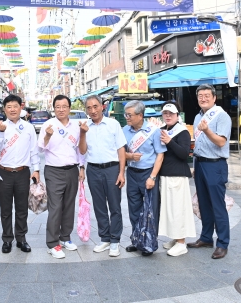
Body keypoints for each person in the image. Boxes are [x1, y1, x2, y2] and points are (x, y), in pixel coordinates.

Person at [38, 94, 86, 259]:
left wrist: (81, 167)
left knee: (69, 206)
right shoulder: (48, 124)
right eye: (57, 106)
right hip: (53, 171)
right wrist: (48, 136)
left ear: (69, 108)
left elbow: (80, 149)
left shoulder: (76, 126)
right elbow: (40, 148)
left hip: (72, 169)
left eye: (64, 106)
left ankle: (65, 237)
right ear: (54, 108)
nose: (61, 109)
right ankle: (52, 243)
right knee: (55, 207)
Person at [78, 95, 126, 257]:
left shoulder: (113, 124)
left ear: (102, 107)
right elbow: (83, 151)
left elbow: (121, 149)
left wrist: (121, 172)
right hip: (93, 170)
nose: (92, 110)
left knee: (114, 206)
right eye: (89, 108)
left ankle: (115, 240)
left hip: (112, 169)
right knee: (99, 206)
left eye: (95, 106)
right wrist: (83, 133)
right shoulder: (85, 127)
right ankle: (104, 238)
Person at [187, 84, 232, 259]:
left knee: (217, 205)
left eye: (207, 95)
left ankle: (222, 243)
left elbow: (221, 142)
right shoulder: (198, 117)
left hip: (215, 165)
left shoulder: (222, 116)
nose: (203, 98)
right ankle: (206, 237)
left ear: (214, 98)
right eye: (200, 96)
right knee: (204, 204)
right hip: (200, 164)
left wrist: (207, 130)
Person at [0, 94, 40, 254]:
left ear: (21, 108)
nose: (12, 109)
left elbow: (34, 150)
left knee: (22, 208)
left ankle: (21, 238)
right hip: (4, 173)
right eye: (9, 107)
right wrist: (0, 132)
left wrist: (37, 170)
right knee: (5, 209)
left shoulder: (28, 127)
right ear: (4, 109)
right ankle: (7, 239)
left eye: (15, 106)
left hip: (22, 173)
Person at [122, 101, 166, 256]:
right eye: (125, 114)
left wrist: (153, 177)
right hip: (132, 173)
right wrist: (129, 156)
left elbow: (160, 154)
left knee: (150, 210)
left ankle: (149, 244)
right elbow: (120, 153)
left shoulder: (153, 131)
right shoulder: (124, 131)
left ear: (140, 115)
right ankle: (137, 240)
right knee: (134, 209)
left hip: (148, 173)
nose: (126, 117)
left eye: (129, 115)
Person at [158, 101, 195, 257]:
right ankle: (175, 238)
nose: (168, 116)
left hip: (177, 176)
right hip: (165, 175)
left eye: (171, 113)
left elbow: (184, 154)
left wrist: (170, 142)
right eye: (165, 113)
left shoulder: (182, 132)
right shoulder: (162, 130)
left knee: (178, 210)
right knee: (169, 210)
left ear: (177, 115)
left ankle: (181, 243)